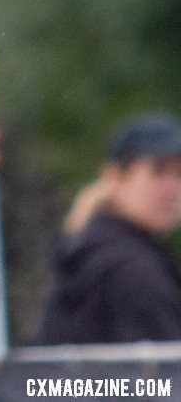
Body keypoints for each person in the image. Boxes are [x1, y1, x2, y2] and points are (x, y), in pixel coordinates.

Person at [29, 110, 181, 345]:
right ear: (114, 177)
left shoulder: (90, 246)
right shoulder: (130, 267)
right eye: (157, 171)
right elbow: (167, 375)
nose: (172, 188)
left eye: (179, 172)